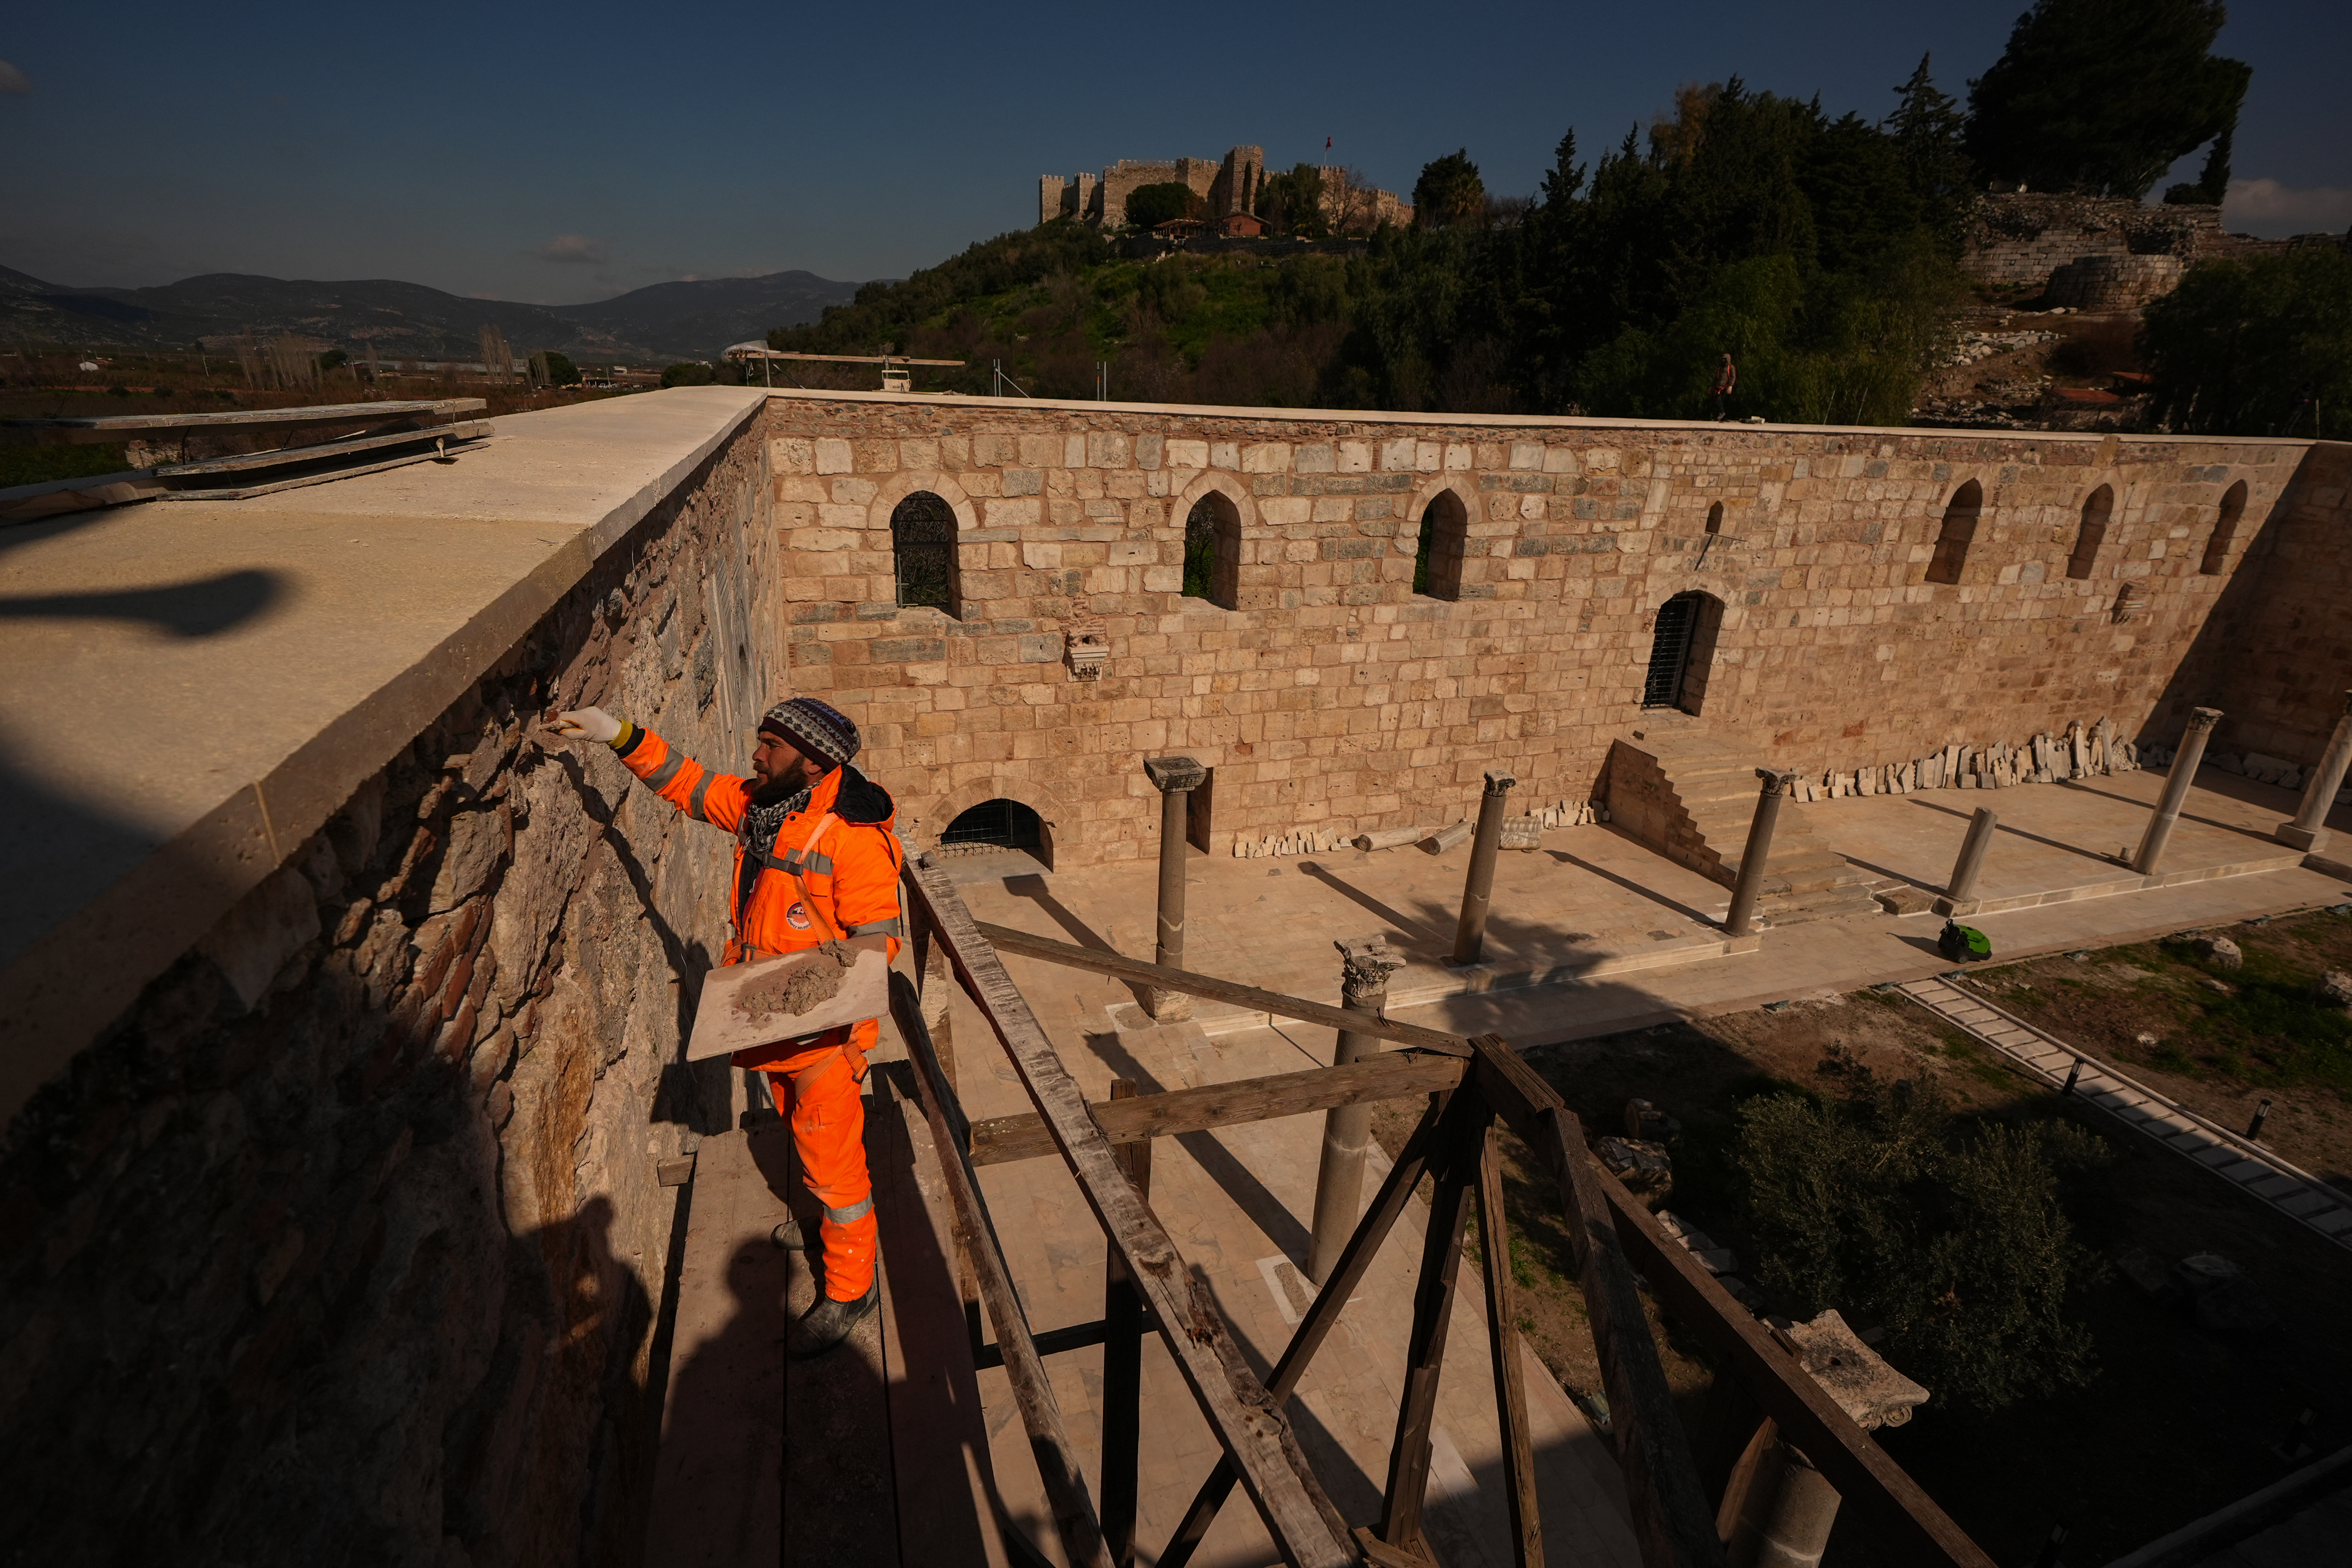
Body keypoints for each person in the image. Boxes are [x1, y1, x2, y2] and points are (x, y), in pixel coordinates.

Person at [547, 696, 902, 1356]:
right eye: (760, 740)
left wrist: (799, 993)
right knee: (805, 1136)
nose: (757, 754)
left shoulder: (853, 839)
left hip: (821, 1038)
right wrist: (615, 734)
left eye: (771, 744)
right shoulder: (766, 805)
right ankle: (830, 1229)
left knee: (835, 1165)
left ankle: (853, 1284)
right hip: (772, 1026)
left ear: (813, 758)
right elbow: (687, 783)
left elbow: (878, 947)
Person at [1713, 353, 1737, 421]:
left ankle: (1724, 415)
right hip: (1718, 386)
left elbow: (1733, 377)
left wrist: (1731, 386)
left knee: (1724, 402)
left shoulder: (1731, 367)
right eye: (1723, 359)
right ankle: (1721, 413)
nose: (1723, 360)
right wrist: (1712, 387)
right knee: (1717, 400)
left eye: (1725, 359)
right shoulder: (1720, 368)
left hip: (1727, 387)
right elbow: (1716, 378)